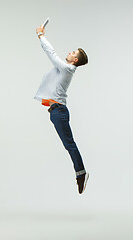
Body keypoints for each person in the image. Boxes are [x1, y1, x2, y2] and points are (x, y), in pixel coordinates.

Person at [34, 24, 89, 194]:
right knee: (68, 144)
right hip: (56, 112)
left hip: (59, 112)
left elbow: (51, 53)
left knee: (69, 144)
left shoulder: (67, 68)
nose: (70, 52)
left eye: (73, 53)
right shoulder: (66, 69)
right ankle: (80, 173)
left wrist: (41, 35)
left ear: (75, 61)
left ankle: (81, 173)